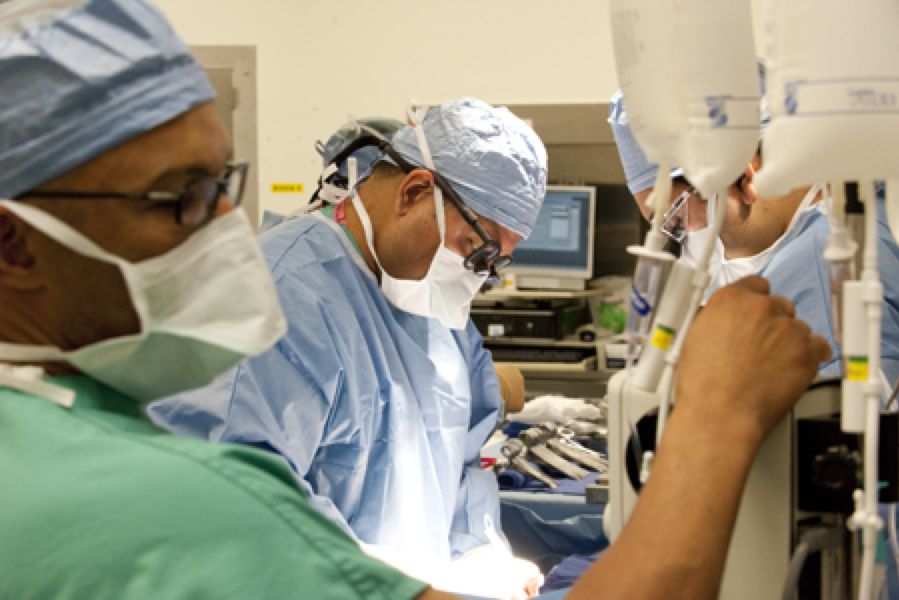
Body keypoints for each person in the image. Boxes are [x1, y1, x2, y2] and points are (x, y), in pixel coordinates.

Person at [0, 1, 835, 599]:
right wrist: (716, 423)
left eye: (225, 185)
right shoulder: (165, 498)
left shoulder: (65, 422)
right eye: (180, 196)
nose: (224, 229)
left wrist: (472, 556)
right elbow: (261, 518)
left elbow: (466, 460)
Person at [150, 97, 549, 598]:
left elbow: (467, 457)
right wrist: (407, 586)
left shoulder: (435, 305)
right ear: (414, 192)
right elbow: (239, 502)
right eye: (477, 248)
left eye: (495, 262)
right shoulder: (275, 294)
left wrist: (478, 554)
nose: (478, 275)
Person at [608, 89, 899, 384]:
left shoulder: (821, 265)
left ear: (745, 177)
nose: (684, 240)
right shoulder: (867, 219)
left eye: (677, 219)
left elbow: (848, 420)